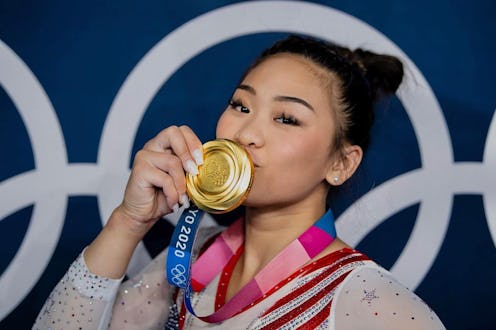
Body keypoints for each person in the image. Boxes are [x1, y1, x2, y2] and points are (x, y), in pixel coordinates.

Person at [33, 35, 445, 329]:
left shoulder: (371, 304)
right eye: (240, 104)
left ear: (340, 163)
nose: (245, 131)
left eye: (286, 118)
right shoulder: (190, 258)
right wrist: (127, 222)